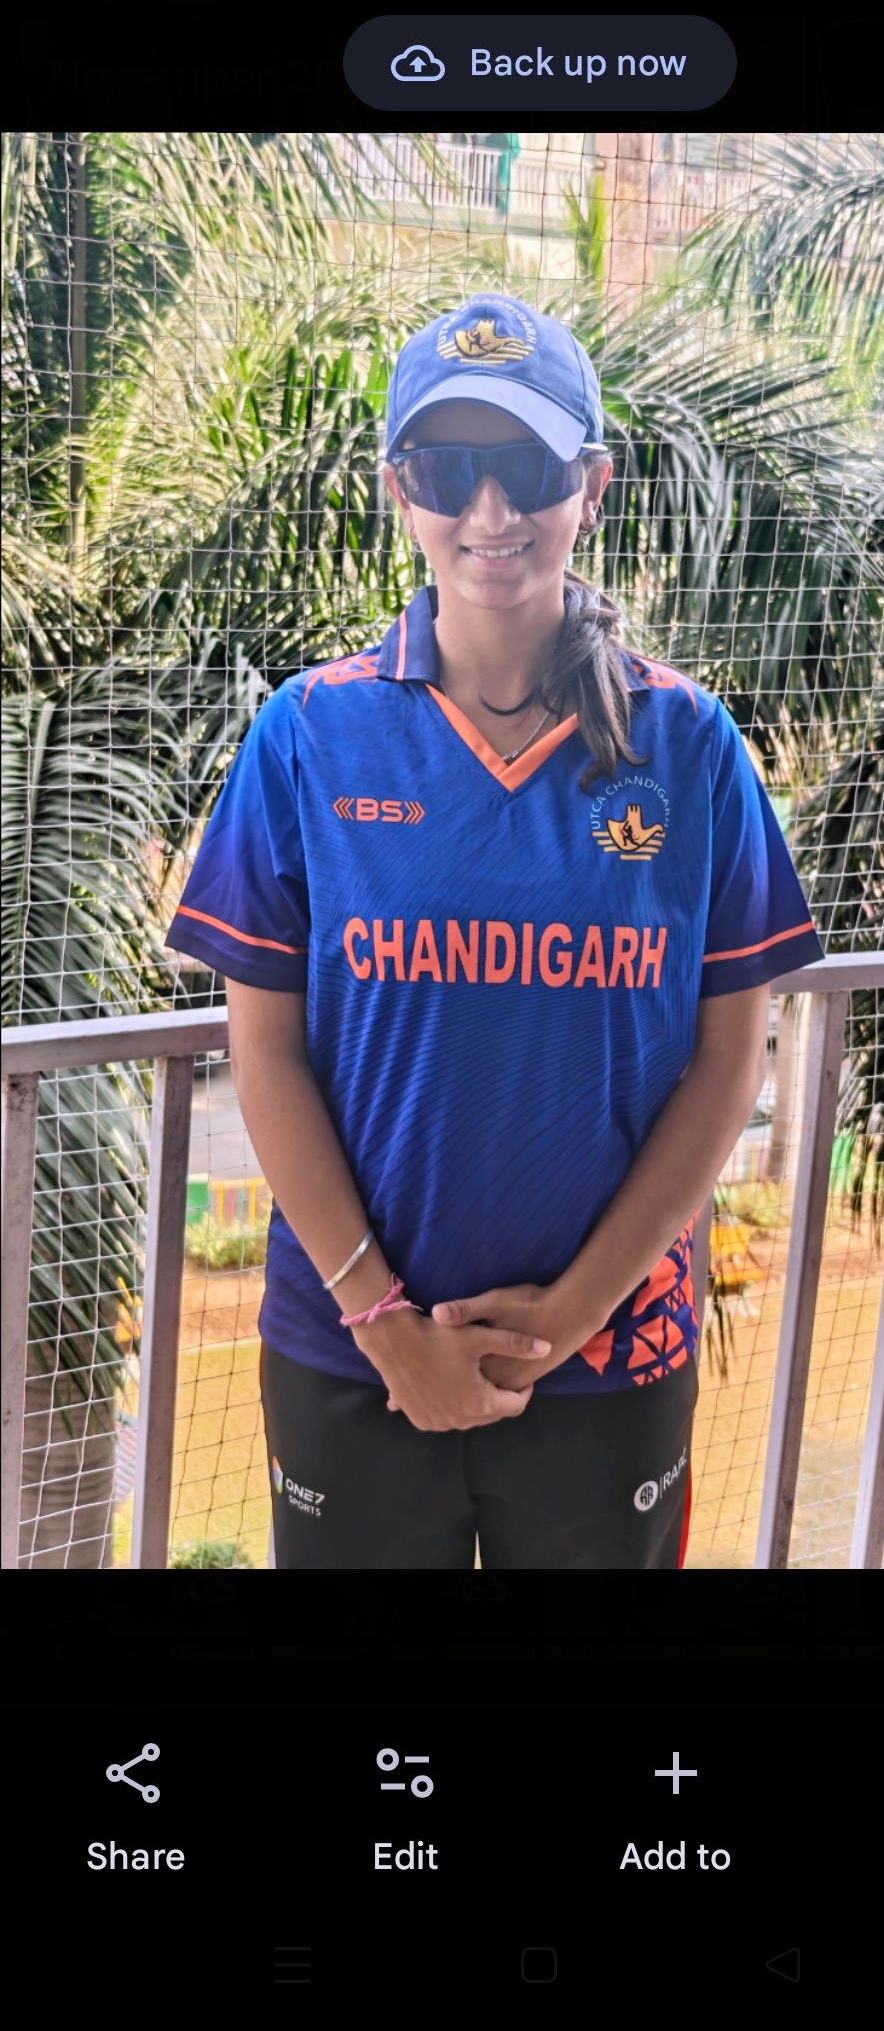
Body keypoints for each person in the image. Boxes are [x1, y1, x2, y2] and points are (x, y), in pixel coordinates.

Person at [166, 292, 825, 1567]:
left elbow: (726, 1061)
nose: (489, 511)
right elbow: (266, 1055)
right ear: (399, 490)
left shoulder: (690, 745)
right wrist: (385, 1322)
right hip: (353, 1354)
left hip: (611, 1359)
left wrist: (568, 1319)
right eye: (446, 469)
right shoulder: (308, 734)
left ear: (591, 484)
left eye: (525, 468)